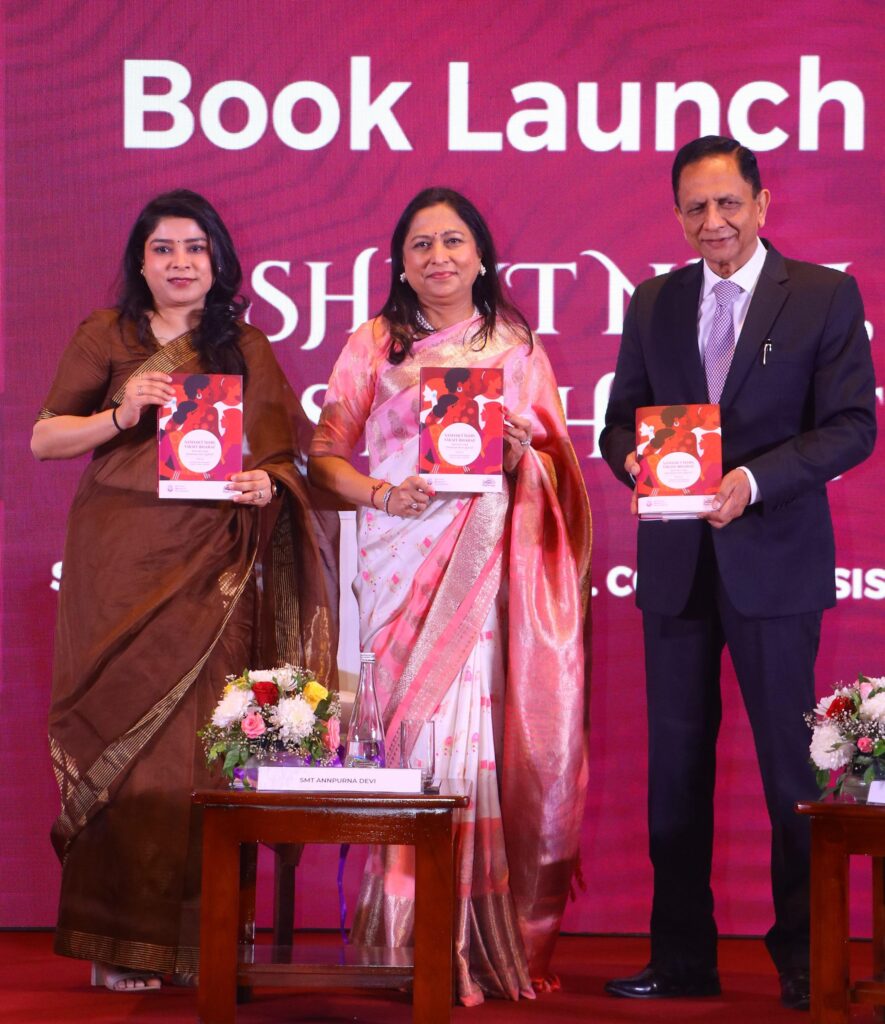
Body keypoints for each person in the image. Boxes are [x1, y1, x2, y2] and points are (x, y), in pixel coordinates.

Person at [32, 189, 337, 992]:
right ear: (140, 262)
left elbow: (282, 459)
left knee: (207, 753)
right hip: (119, 565)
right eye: (163, 248)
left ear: (217, 261)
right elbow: (45, 437)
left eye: (195, 248)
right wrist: (119, 411)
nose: (179, 263)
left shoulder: (245, 347)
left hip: (215, 572)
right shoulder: (108, 335)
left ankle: (204, 943)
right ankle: (115, 944)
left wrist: (267, 485)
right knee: (124, 752)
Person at [599, 136, 876, 1011]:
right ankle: (680, 958)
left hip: (775, 565)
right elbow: (617, 423)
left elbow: (850, 426)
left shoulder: (822, 294)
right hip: (676, 567)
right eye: (694, 208)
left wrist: (751, 482)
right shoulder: (653, 301)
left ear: (761, 204)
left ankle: (803, 958)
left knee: (790, 773)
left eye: (727, 203)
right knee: (674, 773)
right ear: (677, 216)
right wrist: (640, 464)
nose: (711, 222)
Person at [308, 187, 591, 1006]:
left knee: (465, 744)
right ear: (400, 263)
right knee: (409, 745)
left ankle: (466, 939)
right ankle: (400, 939)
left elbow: (557, 466)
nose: (438, 257)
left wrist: (522, 455)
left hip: (479, 566)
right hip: (396, 567)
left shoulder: (514, 348)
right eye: (421, 244)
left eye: (453, 241)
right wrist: (380, 494)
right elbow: (325, 455)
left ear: (480, 255)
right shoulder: (373, 344)